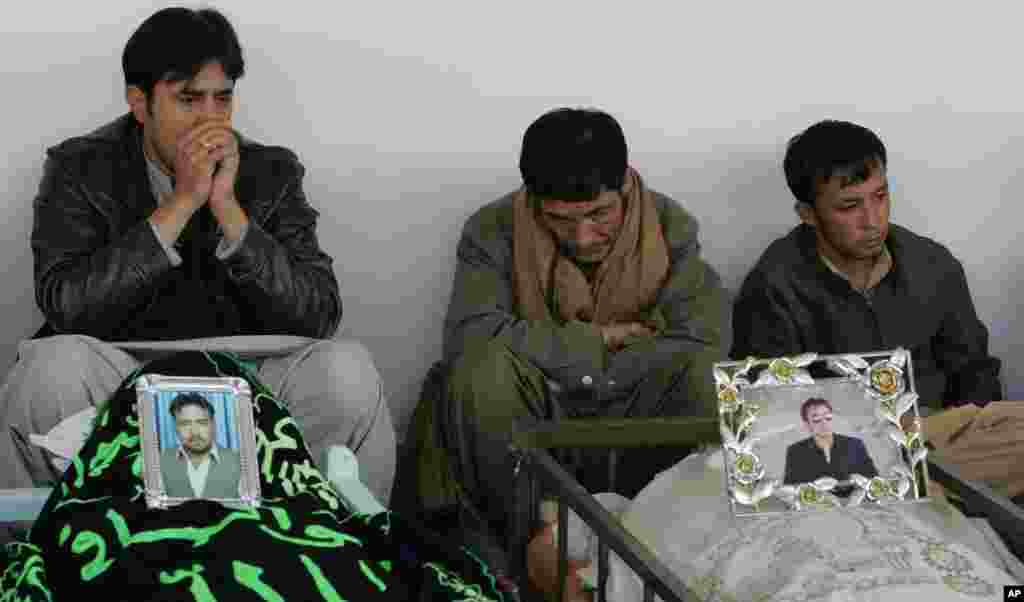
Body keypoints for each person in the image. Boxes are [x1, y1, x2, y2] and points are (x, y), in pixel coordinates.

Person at [0, 7, 395, 503]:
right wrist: (181, 202)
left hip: (245, 374)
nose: (210, 119)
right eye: (188, 99)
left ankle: (328, 549)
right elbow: (65, 305)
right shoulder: (79, 167)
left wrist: (229, 209)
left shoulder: (271, 171)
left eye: (222, 99)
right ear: (139, 103)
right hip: (123, 368)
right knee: (48, 368)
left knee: (347, 370)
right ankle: (63, 556)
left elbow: (319, 315)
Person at [417, 107, 727, 537]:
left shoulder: (670, 225)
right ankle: (533, 545)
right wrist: (598, 340)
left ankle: (674, 542)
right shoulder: (493, 229)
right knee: (479, 370)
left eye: (600, 215)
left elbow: (701, 341)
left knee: (706, 377)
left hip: (638, 412)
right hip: (540, 415)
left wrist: (578, 367)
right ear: (532, 199)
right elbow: (471, 334)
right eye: (561, 220)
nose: (582, 238)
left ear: (626, 183)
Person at [730, 120, 1002, 411]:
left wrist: (965, 431)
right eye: (849, 206)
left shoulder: (934, 265)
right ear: (807, 214)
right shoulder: (772, 289)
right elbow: (766, 412)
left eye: (880, 196)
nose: (873, 221)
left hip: (946, 440)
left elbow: (976, 373)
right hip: (840, 448)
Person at [783, 397, 877, 493]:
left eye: (828, 418)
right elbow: (790, 490)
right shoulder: (795, 451)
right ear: (806, 425)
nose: (824, 424)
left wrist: (862, 480)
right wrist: (813, 486)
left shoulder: (855, 445)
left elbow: (876, 481)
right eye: (816, 420)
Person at [160, 392, 241, 499]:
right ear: (176, 427)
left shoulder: (240, 462)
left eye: (202, 422)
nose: (195, 432)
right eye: (185, 424)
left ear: (213, 424)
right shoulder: (159, 462)